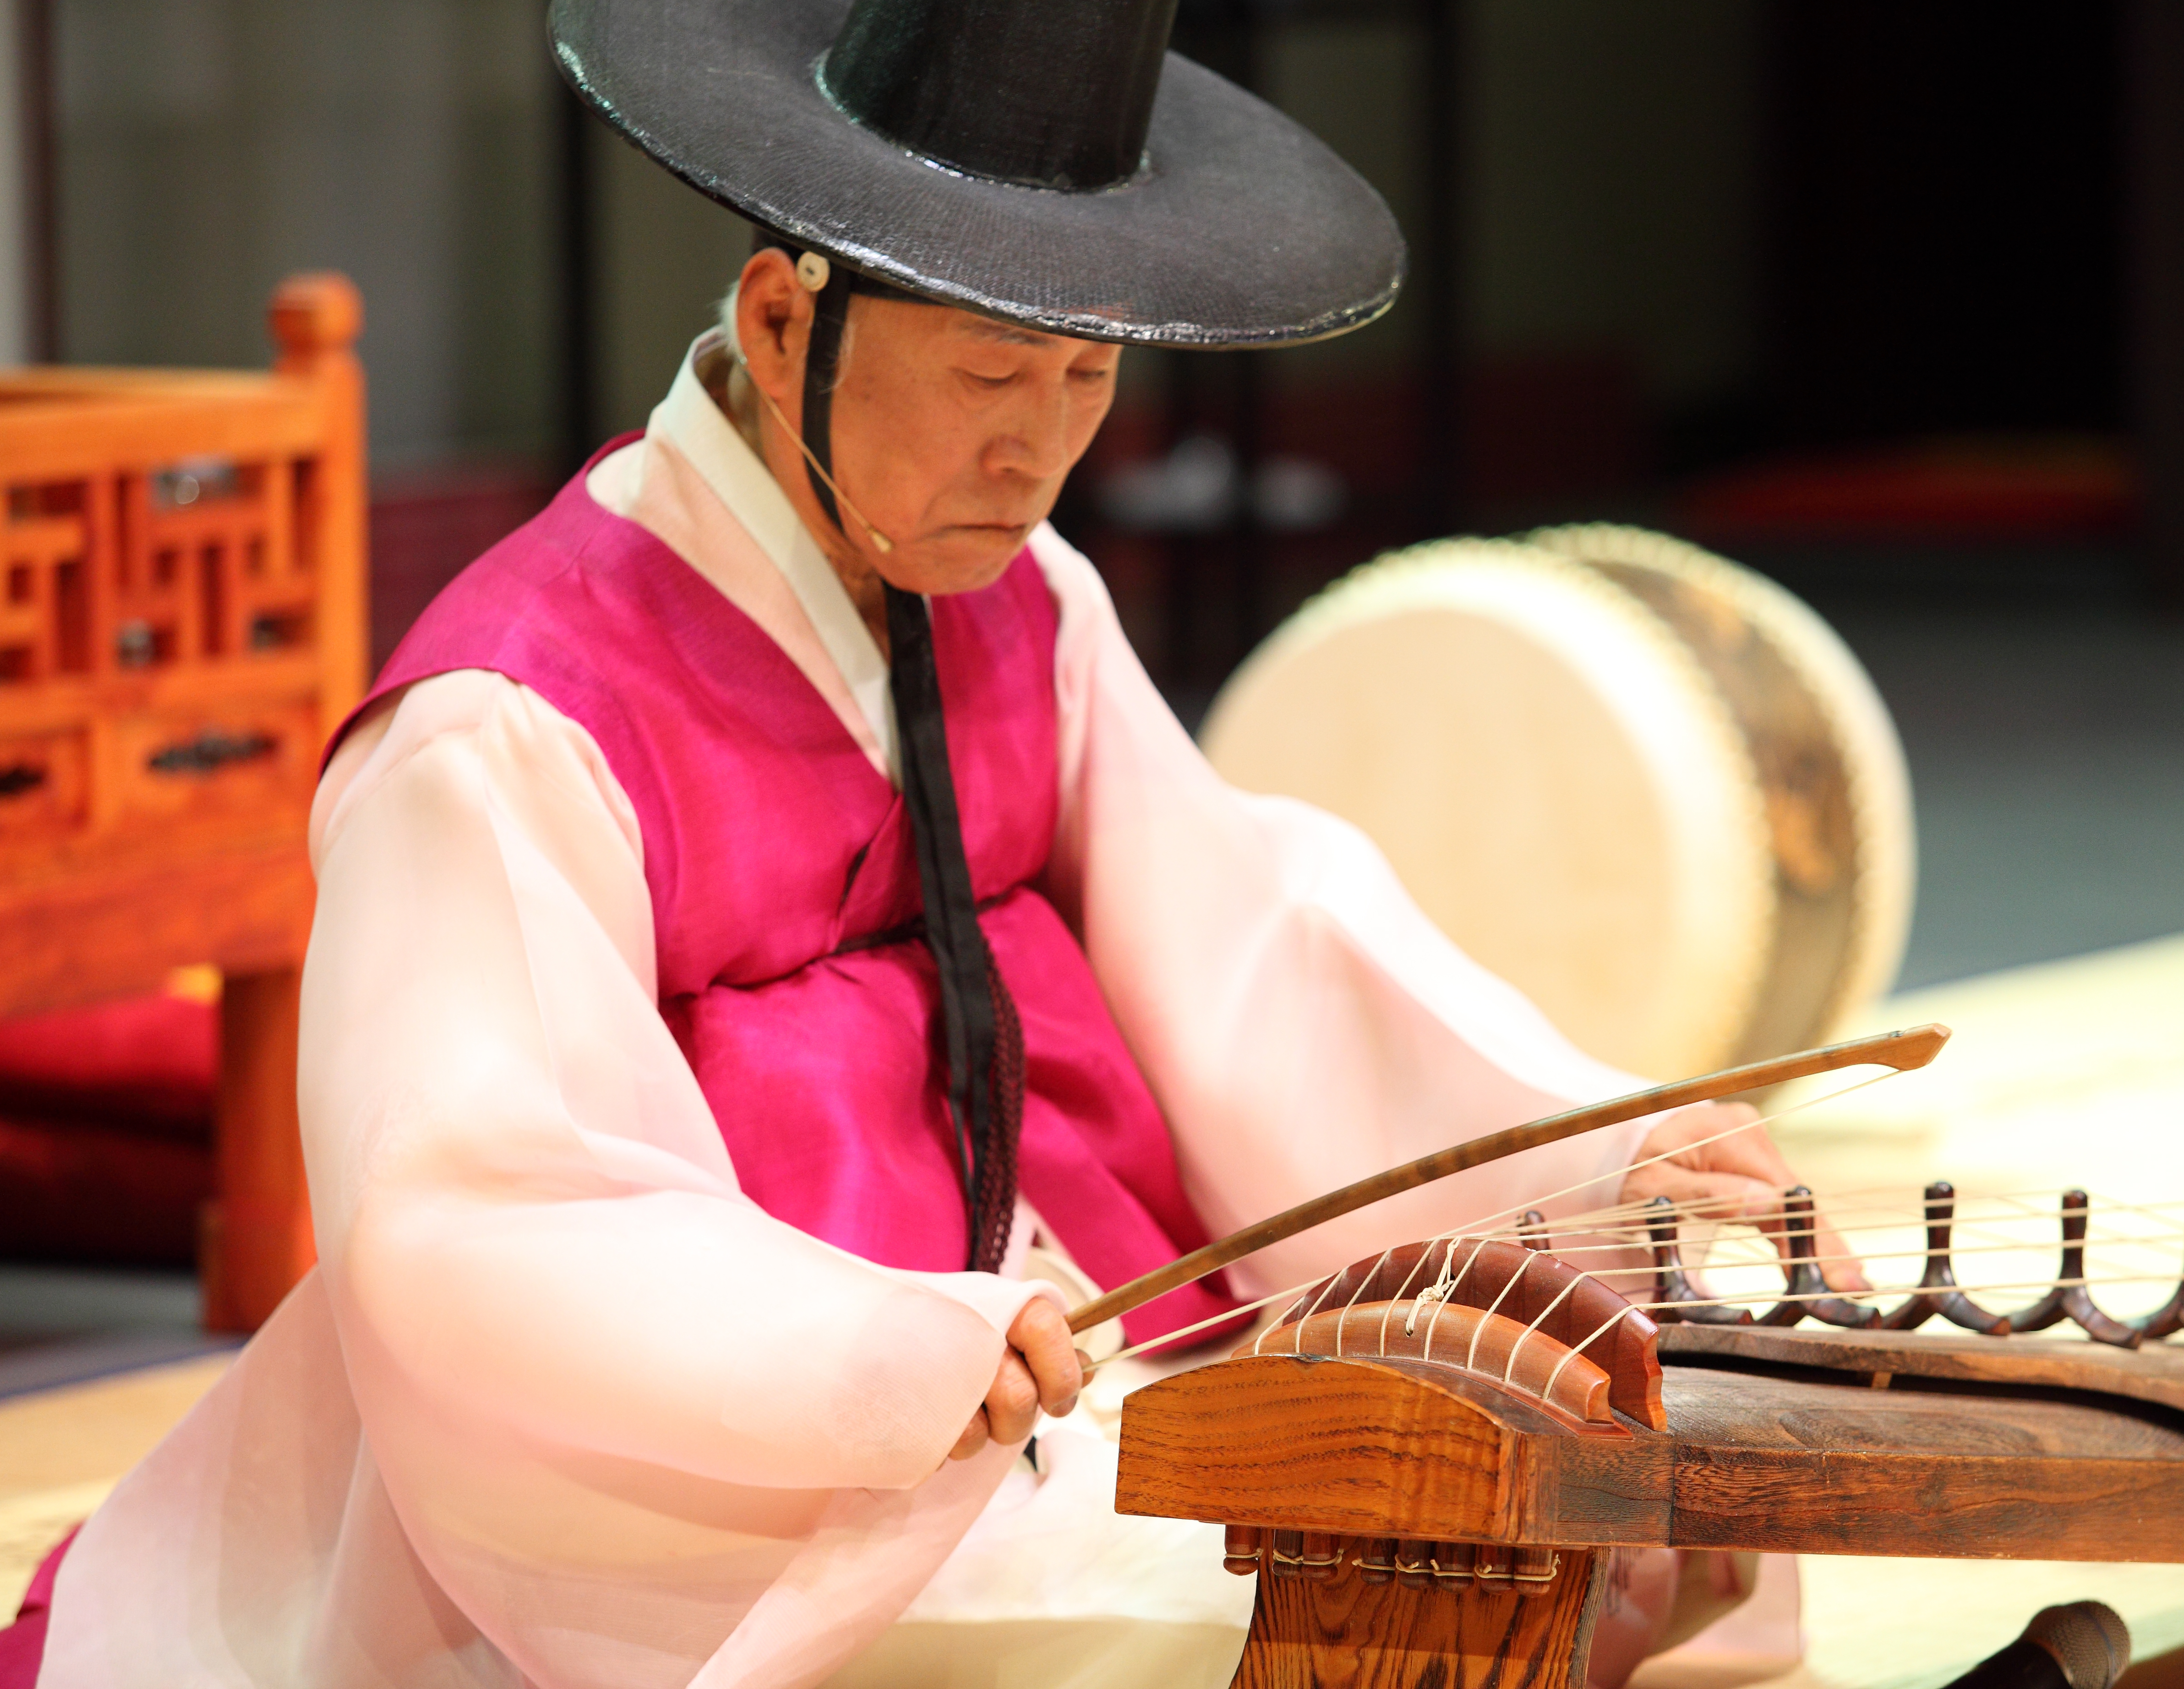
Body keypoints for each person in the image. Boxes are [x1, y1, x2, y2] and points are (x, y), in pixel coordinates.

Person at [15, 2, 1851, 1684]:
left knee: (1581, 1495)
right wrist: (872, 1363)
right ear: (782, 320)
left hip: (1092, 1353)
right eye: (990, 379)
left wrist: (1592, 1149)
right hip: (754, 1463)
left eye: (1084, 383)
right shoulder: (507, 717)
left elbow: (1248, 937)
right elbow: (482, 1210)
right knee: (1331, 1586)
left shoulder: (1020, 597)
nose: (1038, 455)